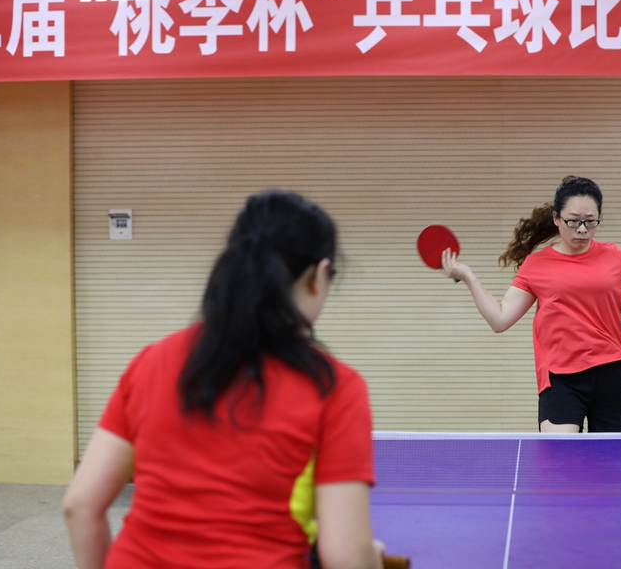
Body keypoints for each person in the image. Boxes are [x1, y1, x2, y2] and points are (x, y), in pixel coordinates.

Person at [63, 191, 384, 569]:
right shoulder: (334, 387)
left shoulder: (151, 361)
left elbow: (80, 506)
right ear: (319, 274)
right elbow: (345, 555)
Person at [440, 176, 621, 434]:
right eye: (573, 221)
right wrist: (468, 276)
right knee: (561, 462)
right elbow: (500, 319)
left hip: (611, 372)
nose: (582, 229)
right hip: (561, 378)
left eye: (590, 221)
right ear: (556, 218)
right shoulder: (536, 265)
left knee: (617, 465)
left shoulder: (616, 257)